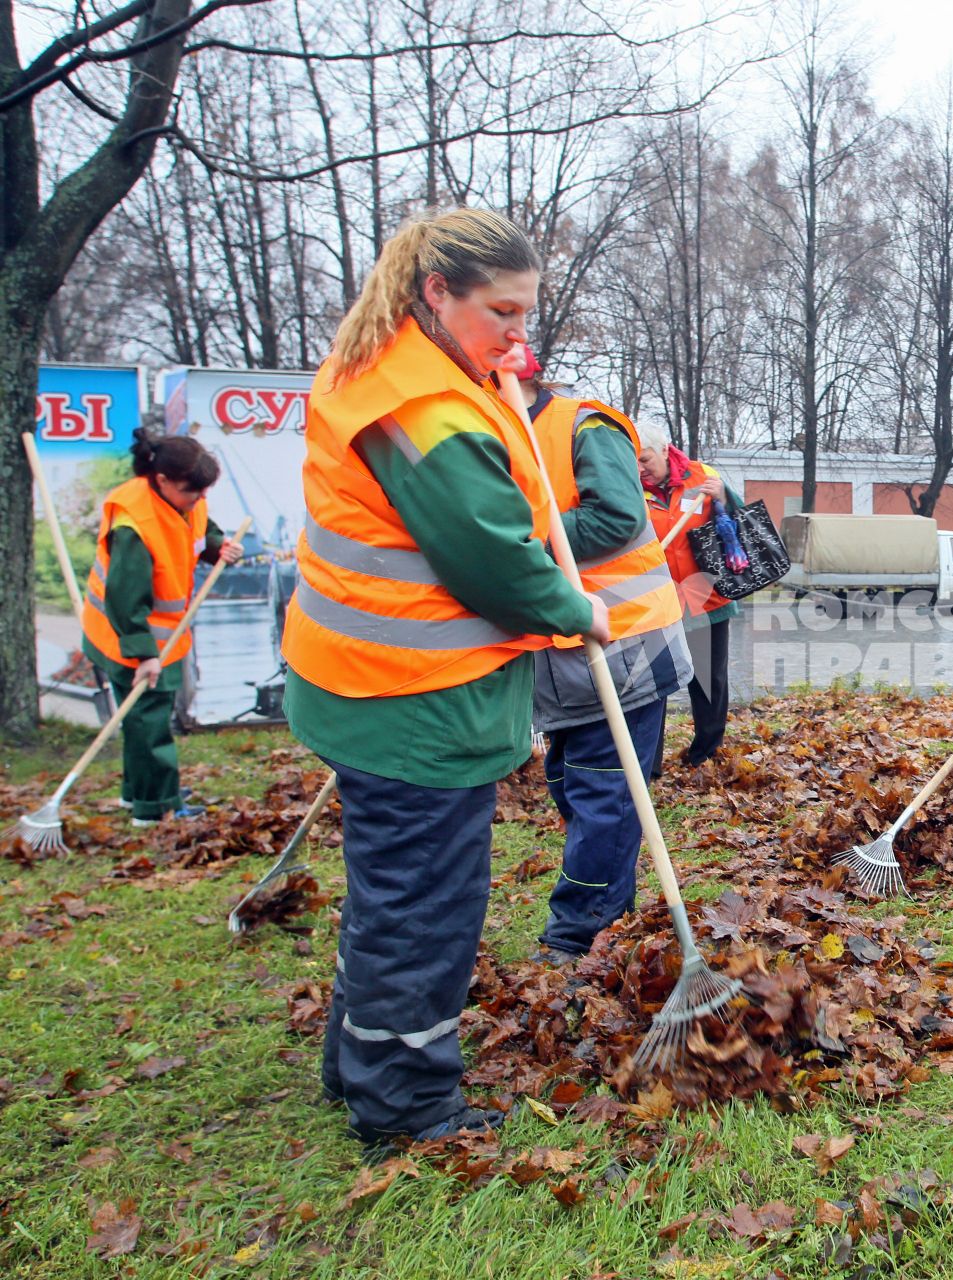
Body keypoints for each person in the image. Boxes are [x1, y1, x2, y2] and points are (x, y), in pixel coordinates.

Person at [280, 208, 611, 1149]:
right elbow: (492, 562)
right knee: (424, 907)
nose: (519, 334)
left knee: (388, 891)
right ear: (437, 293)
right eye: (500, 312)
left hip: (361, 686)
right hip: (412, 703)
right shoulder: (425, 412)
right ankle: (407, 1103)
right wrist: (572, 607)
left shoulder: (394, 369)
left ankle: (360, 1067)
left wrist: (496, 379)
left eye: (526, 314)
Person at [522, 379, 691, 963]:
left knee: (606, 797)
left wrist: (507, 543)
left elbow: (615, 519)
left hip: (624, 650)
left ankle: (580, 930)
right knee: (570, 787)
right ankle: (609, 900)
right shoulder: (489, 425)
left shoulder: (584, 426)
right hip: (555, 659)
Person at [80, 430, 242, 825]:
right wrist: (143, 656)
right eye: (192, 491)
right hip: (129, 636)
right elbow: (124, 599)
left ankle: (138, 795)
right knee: (149, 721)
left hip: (158, 636)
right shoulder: (132, 526)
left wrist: (218, 546)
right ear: (163, 480)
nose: (199, 499)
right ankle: (157, 808)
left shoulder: (184, 499)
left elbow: (200, 529)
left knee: (140, 718)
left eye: (204, 492)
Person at [634, 422, 740, 773]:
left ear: (665, 450)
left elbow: (738, 521)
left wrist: (723, 497)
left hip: (704, 599)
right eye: (634, 460)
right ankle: (650, 762)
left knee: (709, 682)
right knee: (653, 686)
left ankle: (705, 754)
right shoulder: (631, 487)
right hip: (655, 603)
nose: (640, 468)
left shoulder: (702, 476)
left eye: (645, 459)